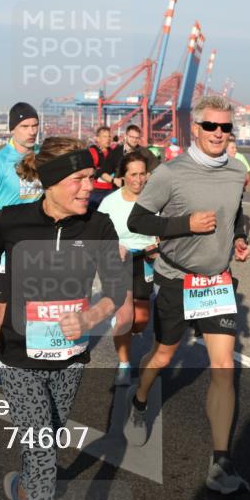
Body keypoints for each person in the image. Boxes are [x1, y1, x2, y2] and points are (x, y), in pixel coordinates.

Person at [0, 137, 128, 500]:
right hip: (18, 353)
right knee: (40, 443)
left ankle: (24, 486)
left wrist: (91, 318)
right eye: (79, 179)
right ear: (52, 183)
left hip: (70, 356)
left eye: (91, 177)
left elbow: (116, 288)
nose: (89, 187)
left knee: (48, 439)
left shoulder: (98, 224)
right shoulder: (10, 221)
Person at [125, 94, 250, 494]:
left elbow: (235, 212)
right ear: (195, 128)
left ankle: (220, 464)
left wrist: (241, 237)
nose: (218, 133)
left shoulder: (235, 171)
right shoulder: (170, 172)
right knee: (163, 355)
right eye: (210, 126)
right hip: (176, 279)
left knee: (224, 367)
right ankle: (140, 401)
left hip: (216, 281)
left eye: (225, 127)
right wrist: (185, 224)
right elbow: (138, 218)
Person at [0, 102, 44, 386]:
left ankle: (33, 354)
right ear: (13, 129)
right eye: (25, 126)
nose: (31, 132)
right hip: (6, 250)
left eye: (34, 126)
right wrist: (9, 226)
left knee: (35, 307)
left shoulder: (42, 159)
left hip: (38, 249)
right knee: (3, 311)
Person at [97, 151, 157, 384]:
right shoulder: (110, 202)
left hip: (145, 260)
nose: (138, 179)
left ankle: (124, 323)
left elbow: (166, 229)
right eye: (133, 174)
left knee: (140, 320)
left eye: (142, 174)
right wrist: (114, 246)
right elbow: (97, 234)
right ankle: (124, 364)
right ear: (123, 176)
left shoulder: (154, 200)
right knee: (125, 315)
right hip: (117, 260)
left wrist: (157, 244)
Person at [98, 124, 159, 189]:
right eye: (132, 137)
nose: (134, 140)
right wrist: (114, 180)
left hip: (140, 191)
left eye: (137, 138)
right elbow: (102, 173)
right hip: (120, 191)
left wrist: (148, 175)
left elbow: (158, 168)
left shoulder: (145, 153)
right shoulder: (115, 152)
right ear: (126, 136)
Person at [88, 125, 115, 211]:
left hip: (111, 190)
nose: (108, 139)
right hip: (96, 191)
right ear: (97, 139)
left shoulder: (113, 152)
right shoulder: (92, 152)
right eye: (105, 136)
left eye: (109, 136)